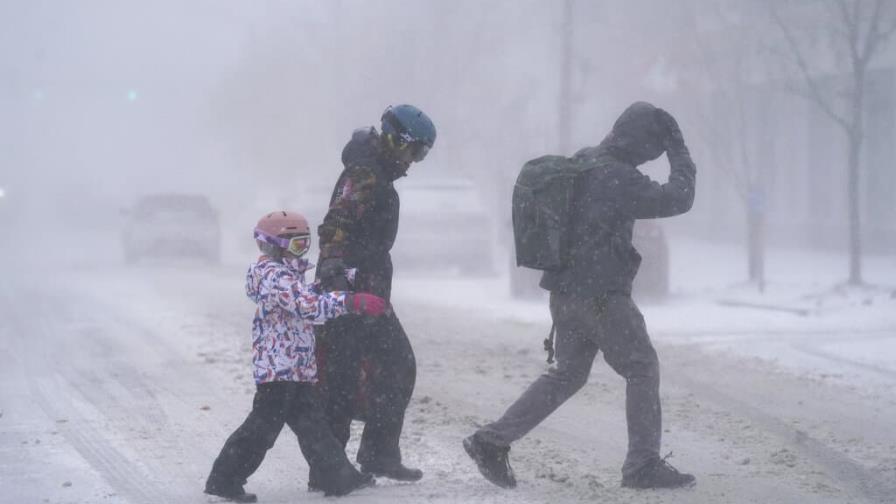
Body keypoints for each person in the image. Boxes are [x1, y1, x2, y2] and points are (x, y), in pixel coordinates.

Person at [463, 102, 697, 490]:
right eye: (651, 150)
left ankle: (491, 440)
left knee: (567, 375)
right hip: (602, 296)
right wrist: (679, 150)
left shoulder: (584, 162)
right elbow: (679, 198)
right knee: (642, 367)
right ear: (642, 144)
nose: (648, 159)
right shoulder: (617, 177)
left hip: (565, 294)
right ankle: (642, 465)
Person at [204, 211, 386, 502]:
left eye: (305, 244)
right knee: (262, 428)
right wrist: (351, 301)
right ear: (275, 245)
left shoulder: (284, 275)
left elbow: (302, 296)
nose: (302, 251)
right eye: (297, 245)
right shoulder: (273, 275)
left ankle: (338, 477)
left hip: (296, 367)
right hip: (279, 369)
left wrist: (335, 281)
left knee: (313, 425)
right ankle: (225, 478)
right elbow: (307, 306)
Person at [314, 104, 436, 484]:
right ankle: (329, 469)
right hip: (348, 289)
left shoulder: (376, 169)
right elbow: (337, 220)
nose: (414, 162)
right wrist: (334, 267)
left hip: (370, 289)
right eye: (414, 151)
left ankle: (378, 454)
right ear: (393, 140)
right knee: (342, 378)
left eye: (422, 155)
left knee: (396, 365)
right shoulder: (365, 171)